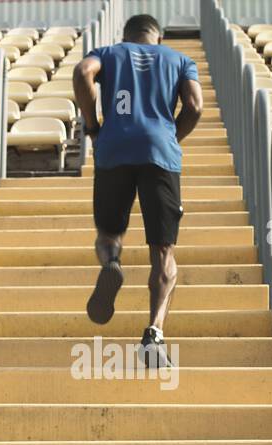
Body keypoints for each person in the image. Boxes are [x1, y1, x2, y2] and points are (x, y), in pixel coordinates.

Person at [72, 13, 203, 368]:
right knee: (164, 251)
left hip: (114, 149)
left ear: (126, 35)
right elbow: (195, 106)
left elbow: (83, 72)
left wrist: (93, 127)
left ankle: (112, 261)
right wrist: (171, 139)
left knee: (109, 232)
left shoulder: (111, 53)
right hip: (160, 153)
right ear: (157, 37)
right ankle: (154, 334)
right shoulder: (179, 60)